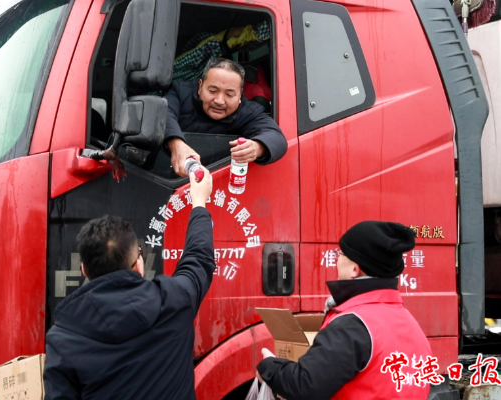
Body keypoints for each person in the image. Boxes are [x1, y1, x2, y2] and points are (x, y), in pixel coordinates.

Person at [43, 168, 215, 400]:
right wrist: (199, 203)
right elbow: (199, 259)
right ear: (138, 265)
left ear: (84, 270)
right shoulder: (174, 300)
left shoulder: (62, 338)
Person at [257, 221, 432, 400]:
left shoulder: (353, 324)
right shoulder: (411, 324)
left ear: (354, 269)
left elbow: (306, 385)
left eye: (341, 253)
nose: (336, 259)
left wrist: (269, 366)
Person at [165, 58, 287, 177]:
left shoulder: (248, 112)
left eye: (229, 94)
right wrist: (176, 144)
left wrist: (258, 147)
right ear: (200, 86)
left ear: (240, 95)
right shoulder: (181, 92)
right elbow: (162, 114)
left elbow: (277, 138)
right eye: (213, 91)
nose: (219, 101)